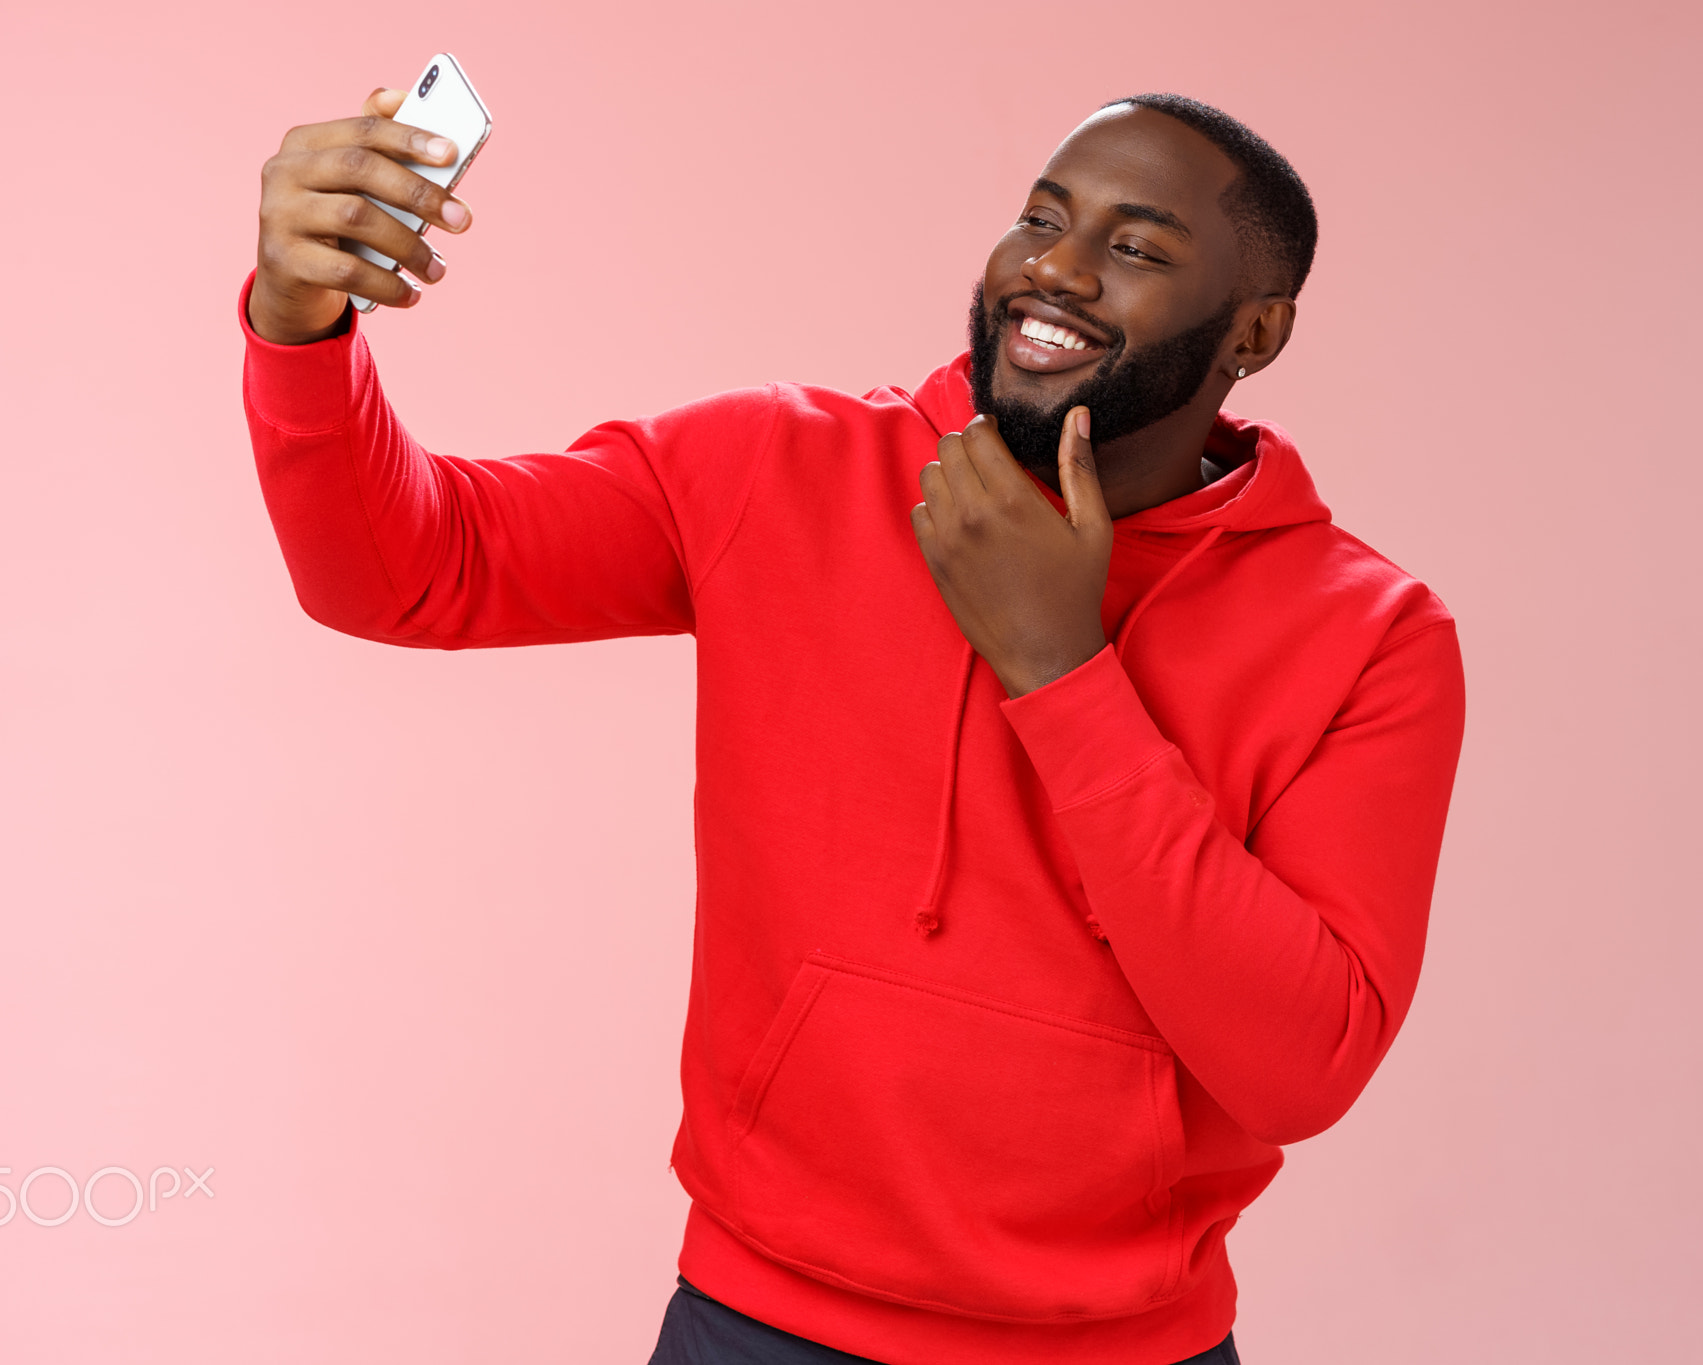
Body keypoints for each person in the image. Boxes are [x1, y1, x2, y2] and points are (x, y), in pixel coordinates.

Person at [241, 86, 1466, 1365]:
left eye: (1136, 248)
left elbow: (1301, 1067)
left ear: (1255, 331)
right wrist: (296, 327)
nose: (1055, 269)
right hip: (755, 1325)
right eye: (1040, 218)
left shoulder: (1370, 635)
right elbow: (405, 569)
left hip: (1121, 1350)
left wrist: (1059, 670)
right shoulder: (781, 468)